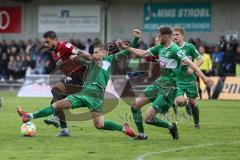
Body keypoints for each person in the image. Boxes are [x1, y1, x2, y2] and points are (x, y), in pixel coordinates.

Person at [16, 29, 141, 137]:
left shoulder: (109, 60)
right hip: (83, 92)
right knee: (56, 105)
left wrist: (135, 39)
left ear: (105, 53)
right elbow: (79, 60)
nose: (94, 54)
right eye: (93, 52)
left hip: (96, 95)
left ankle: (123, 128)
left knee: (99, 125)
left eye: (96, 52)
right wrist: (74, 59)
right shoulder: (90, 62)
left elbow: (127, 52)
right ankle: (29, 116)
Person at [116, 26, 214, 140]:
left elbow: (191, 63)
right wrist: (125, 47)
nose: (157, 38)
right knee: (134, 105)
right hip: (159, 83)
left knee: (148, 118)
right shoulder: (160, 47)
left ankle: (170, 126)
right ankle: (142, 135)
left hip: (169, 88)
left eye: (159, 36)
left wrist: (204, 78)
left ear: (166, 36)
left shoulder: (175, 50)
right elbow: (143, 53)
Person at [41, 31, 91, 136]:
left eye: (47, 42)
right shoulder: (54, 54)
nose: (46, 45)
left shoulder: (65, 46)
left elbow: (83, 53)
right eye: (44, 42)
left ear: (55, 40)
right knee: (56, 101)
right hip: (74, 77)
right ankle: (64, 130)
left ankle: (56, 118)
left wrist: (87, 58)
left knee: (56, 90)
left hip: (82, 77)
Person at [172, 26, 203, 128]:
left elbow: (200, 59)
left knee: (193, 102)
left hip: (190, 79)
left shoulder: (189, 47)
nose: (175, 36)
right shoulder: (170, 48)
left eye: (177, 34)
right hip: (178, 80)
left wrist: (193, 68)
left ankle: (196, 123)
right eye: (173, 35)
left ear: (182, 36)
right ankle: (186, 104)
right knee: (179, 101)